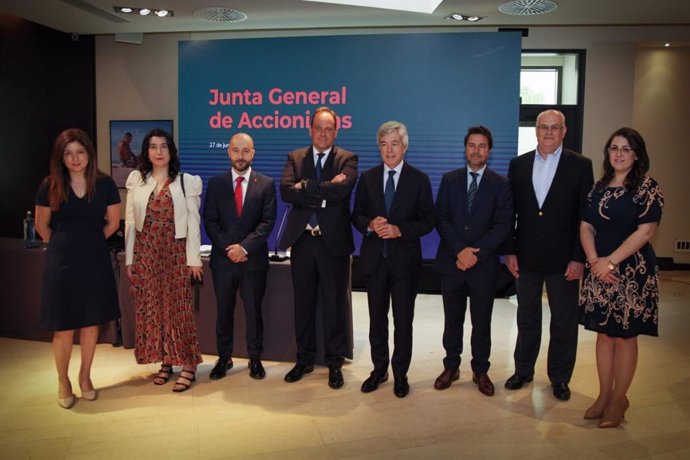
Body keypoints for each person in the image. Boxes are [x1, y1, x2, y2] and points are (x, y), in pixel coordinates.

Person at [503, 109, 594, 401]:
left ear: (564, 131)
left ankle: (559, 378)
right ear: (536, 130)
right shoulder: (518, 165)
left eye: (555, 128)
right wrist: (509, 250)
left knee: (563, 321)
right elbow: (509, 213)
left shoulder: (581, 166)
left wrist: (579, 257)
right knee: (527, 317)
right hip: (526, 257)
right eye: (544, 127)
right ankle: (523, 370)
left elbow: (585, 217)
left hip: (565, 259)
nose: (549, 133)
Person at [579, 127, 663, 428]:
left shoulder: (647, 188)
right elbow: (586, 225)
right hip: (598, 270)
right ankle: (603, 395)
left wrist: (611, 262)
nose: (618, 153)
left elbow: (646, 231)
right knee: (604, 334)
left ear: (636, 154)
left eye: (626, 149)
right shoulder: (598, 187)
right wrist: (594, 262)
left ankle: (619, 400)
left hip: (631, 273)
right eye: (614, 148)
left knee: (625, 337)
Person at [35, 128, 121, 409]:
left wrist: (90, 242)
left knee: (90, 322)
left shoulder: (105, 184)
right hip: (61, 262)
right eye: (68, 153)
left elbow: (113, 223)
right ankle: (63, 380)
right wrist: (64, 244)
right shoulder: (49, 185)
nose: (75, 158)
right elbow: (41, 226)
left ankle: (85, 377)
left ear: (89, 155)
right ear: (61, 157)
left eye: (80, 152)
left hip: (94, 259)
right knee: (62, 326)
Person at [352, 121, 435, 398]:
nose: (389, 150)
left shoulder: (419, 179)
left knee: (403, 321)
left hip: (404, 263)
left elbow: (428, 221)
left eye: (394, 144)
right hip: (375, 263)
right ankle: (379, 370)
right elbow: (357, 216)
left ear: (404, 146)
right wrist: (370, 225)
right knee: (377, 320)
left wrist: (400, 230)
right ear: (379, 148)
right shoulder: (368, 178)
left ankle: (400, 373)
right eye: (384, 144)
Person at [279, 106, 358, 389]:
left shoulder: (348, 159)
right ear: (310, 129)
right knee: (304, 304)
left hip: (332, 244)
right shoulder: (295, 157)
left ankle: (334, 363)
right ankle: (304, 359)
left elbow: (341, 191)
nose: (323, 133)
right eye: (318, 128)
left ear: (336, 131)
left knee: (334, 305)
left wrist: (307, 187)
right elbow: (287, 191)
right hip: (303, 243)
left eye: (329, 129)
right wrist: (323, 191)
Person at [432, 126, 513, 397]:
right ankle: (451, 366)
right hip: (453, 263)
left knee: (482, 322)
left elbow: (503, 225)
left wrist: (474, 253)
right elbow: (441, 218)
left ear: (489, 150)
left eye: (481, 146)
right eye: (471, 145)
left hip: (483, 265)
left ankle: (480, 369)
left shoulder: (501, 184)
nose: (476, 150)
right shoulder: (449, 179)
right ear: (465, 148)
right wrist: (460, 251)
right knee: (452, 319)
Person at [125, 128, 203, 393]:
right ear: (146, 152)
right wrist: (130, 260)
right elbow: (131, 223)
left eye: (163, 147)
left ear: (171, 151)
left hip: (175, 255)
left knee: (179, 310)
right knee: (155, 310)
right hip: (146, 255)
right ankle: (167, 361)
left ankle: (189, 364)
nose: (158, 152)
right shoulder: (137, 180)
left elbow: (193, 222)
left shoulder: (185, 182)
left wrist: (194, 260)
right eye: (153, 147)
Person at [203, 132, 276, 380]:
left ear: (253, 153)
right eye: (236, 150)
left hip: (253, 261)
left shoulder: (266, 184)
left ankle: (255, 360)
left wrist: (244, 248)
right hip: (223, 262)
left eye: (246, 151)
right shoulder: (215, 183)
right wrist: (230, 249)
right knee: (224, 312)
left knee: (254, 313)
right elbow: (210, 222)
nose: (241, 156)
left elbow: (267, 223)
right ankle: (224, 359)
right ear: (229, 152)